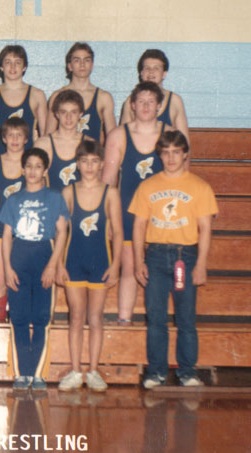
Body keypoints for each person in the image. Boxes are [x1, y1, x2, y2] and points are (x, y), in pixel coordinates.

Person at [129, 130, 217, 388]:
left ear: (185, 154)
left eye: (176, 152)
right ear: (160, 155)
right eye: (165, 153)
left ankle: (187, 371)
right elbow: (138, 227)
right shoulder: (148, 186)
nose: (170, 158)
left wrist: (201, 264)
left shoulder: (199, 187)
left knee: (186, 318)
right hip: (155, 255)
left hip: (186, 256)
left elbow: (205, 229)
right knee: (156, 318)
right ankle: (156, 371)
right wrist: (138, 261)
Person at [0, 147, 69, 390]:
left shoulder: (54, 198)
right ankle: (22, 373)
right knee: (18, 317)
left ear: (45, 170)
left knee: (41, 318)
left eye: (38, 166)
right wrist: (7, 267)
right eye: (28, 165)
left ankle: (38, 373)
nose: (32, 170)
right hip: (19, 256)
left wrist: (53, 264)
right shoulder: (14, 199)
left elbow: (62, 231)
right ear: (22, 169)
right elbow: (7, 235)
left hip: (43, 255)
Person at [57, 140, 123, 392]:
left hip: (100, 262)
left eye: (94, 161)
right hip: (73, 260)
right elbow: (61, 232)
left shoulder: (111, 193)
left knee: (95, 317)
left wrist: (115, 265)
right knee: (76, 316)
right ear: (77, 164)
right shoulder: (68, 192)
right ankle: (75, 370)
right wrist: (59, 265)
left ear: (102, 164)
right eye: (84, 161)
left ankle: (93, 371)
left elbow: (117, 232)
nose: (89, 166)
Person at [103, 81, 171, 325]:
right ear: (132, 105)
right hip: (127, 212)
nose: (145, 106)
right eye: (140, 101)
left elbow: (180, 179)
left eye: (150, 102)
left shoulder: (170, 135)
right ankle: (124, 320)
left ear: (159, 106)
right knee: (130, 268)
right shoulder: (119, 135)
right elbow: (108, 181)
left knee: (160, 271)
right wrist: (108, 217)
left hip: (162, 215)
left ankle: (158, 322)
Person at [0, 117, 29, 322]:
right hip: (0, 229)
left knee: (22, 278)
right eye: (10, 135)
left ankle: (20, 322)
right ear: (3, 138)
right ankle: (0, 323)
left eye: (19, 135)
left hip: (25, 231)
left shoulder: (30, 164)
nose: (14, 139)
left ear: (26, 139)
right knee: (1, 279)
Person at [0, 45, 47, 159]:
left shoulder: (37, 95)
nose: (13, 67)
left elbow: (45, 134)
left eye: (17, 62)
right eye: (8, 62)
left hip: (27, 165)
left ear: (24, 67)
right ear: (1, 67)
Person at [45, 42, 116, 143]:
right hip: (64, 155)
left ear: (92, 65)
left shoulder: (103, 97)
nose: (82, 64)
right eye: (77, 60)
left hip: (92, 156)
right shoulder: (57, 96)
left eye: (86, 60)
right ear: (70, 66)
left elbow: (113, 138)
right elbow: (48, 136)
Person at [120, 49, 189, 141]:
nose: (151, 72)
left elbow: (185, 143)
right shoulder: (130, 102)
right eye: (147, 68)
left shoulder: (174, 101)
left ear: (164, 74)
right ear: (141, 73)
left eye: (156, 68)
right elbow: (122, 139)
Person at [34, 89, 90, 191]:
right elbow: (33, 184)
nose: (68, 117)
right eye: (64, 112)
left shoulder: (89, 144)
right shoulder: (43, 144)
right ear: (57, 114)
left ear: (81, 114)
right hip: (50, 205)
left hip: (80, 205)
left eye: (73, 112)